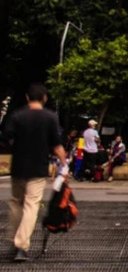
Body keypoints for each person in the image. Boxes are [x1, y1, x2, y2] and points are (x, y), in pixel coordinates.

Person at [5, 83, 67, 262]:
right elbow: (57, 144)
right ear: (44, 98)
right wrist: (64, 164)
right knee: (31, 205)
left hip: (18, 168)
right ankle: (21, 246)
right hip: (38, 168)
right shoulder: (50, 117)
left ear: (27, 97)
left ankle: (15, 240)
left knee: (16, 203)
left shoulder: (17, 116)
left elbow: (6, 137)